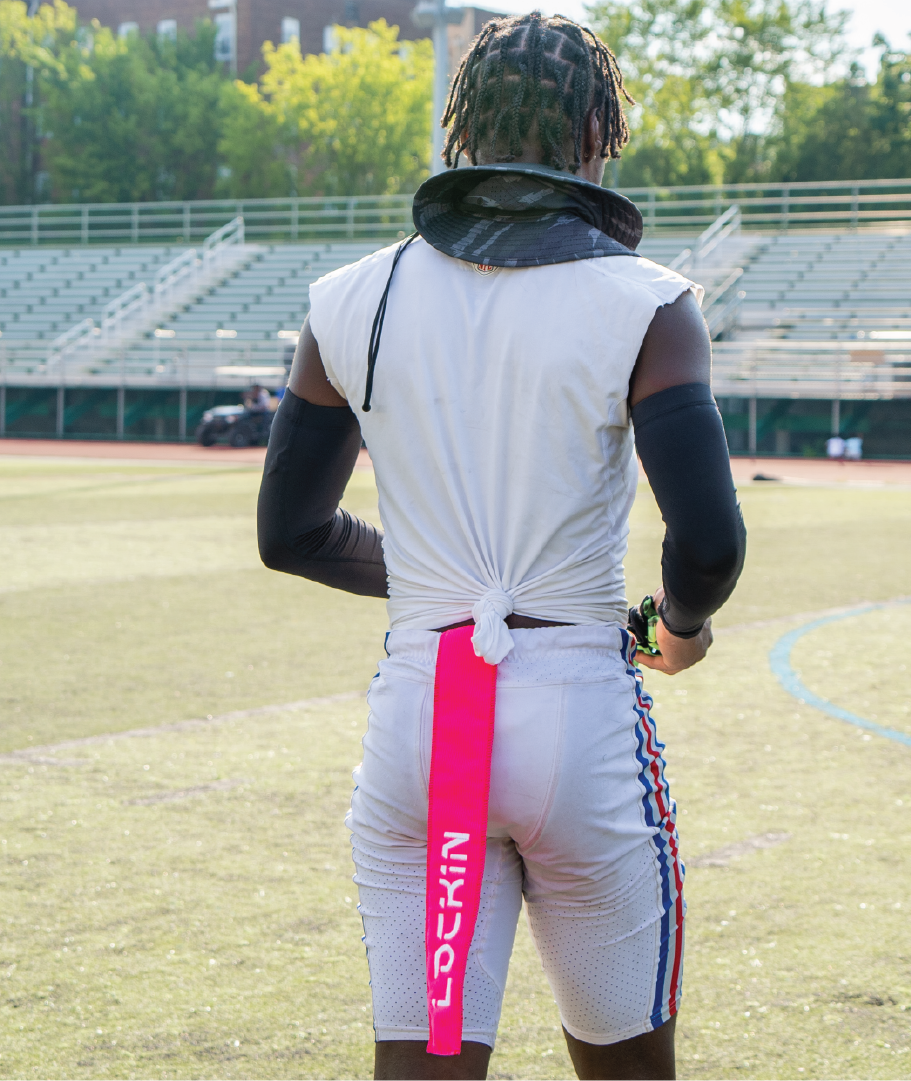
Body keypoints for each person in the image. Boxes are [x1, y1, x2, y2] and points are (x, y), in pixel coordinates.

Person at [256, 14, 746, 1081]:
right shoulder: (649, 303)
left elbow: (291, 533)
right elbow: (707, 542)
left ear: (462, 128)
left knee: (429, 1057)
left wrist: (439, 587)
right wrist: (677, 626)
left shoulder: (346, 300)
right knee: (627, 1067)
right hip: (576, 709)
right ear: (595, 133)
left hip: (431, 715)